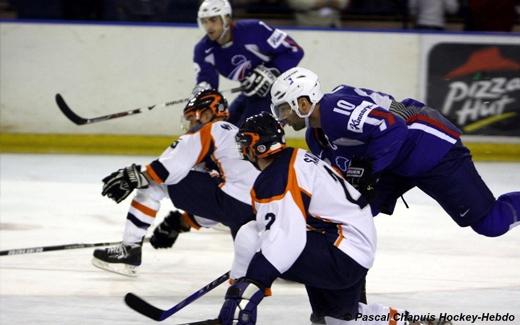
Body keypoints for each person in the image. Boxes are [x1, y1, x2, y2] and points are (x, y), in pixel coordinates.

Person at [218, 112, 425, 325]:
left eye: (244, 143)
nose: (242, 152)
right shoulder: (294, 158)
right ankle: (408, 322)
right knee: (338, 321)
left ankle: (236, 306)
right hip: (351, 245)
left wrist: (252, 281)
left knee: (250, 234)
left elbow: (286, 238)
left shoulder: (277, 176)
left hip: (340, 252)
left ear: (257, 146)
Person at [270, 67, 520, 239]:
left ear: (303, 103)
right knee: (350, 211)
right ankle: (348, 299)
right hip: (396, 160)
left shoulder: (335, 110)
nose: (283, 118)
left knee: (491, 224)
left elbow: (393, 126)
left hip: (429, 149)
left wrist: (369, 169)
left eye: (284, 109)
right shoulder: (315, 135)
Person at [91, 89, 259, 276]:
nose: (190, 125)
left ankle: (129, 249)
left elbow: (171, 168)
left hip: (234, 204)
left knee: (154, 183)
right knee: (262, 265)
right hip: (252, 215)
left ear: (206, 114)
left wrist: (137, 175)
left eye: (192, 118)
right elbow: (225, 204)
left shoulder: (213, 129)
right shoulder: (236, 138)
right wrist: (182, 222)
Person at [192, 0, 304, 127]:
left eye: (213, 20)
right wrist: (203, 94)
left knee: (246, 133)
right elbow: (207, 82)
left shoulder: (254, 29)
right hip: (251, 94)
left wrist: (272, 70)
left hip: (278, 93)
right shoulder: (203, 49)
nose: (208, 26)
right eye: (204, 21)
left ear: (227, 19)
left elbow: (294, 50)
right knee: (222, 129)